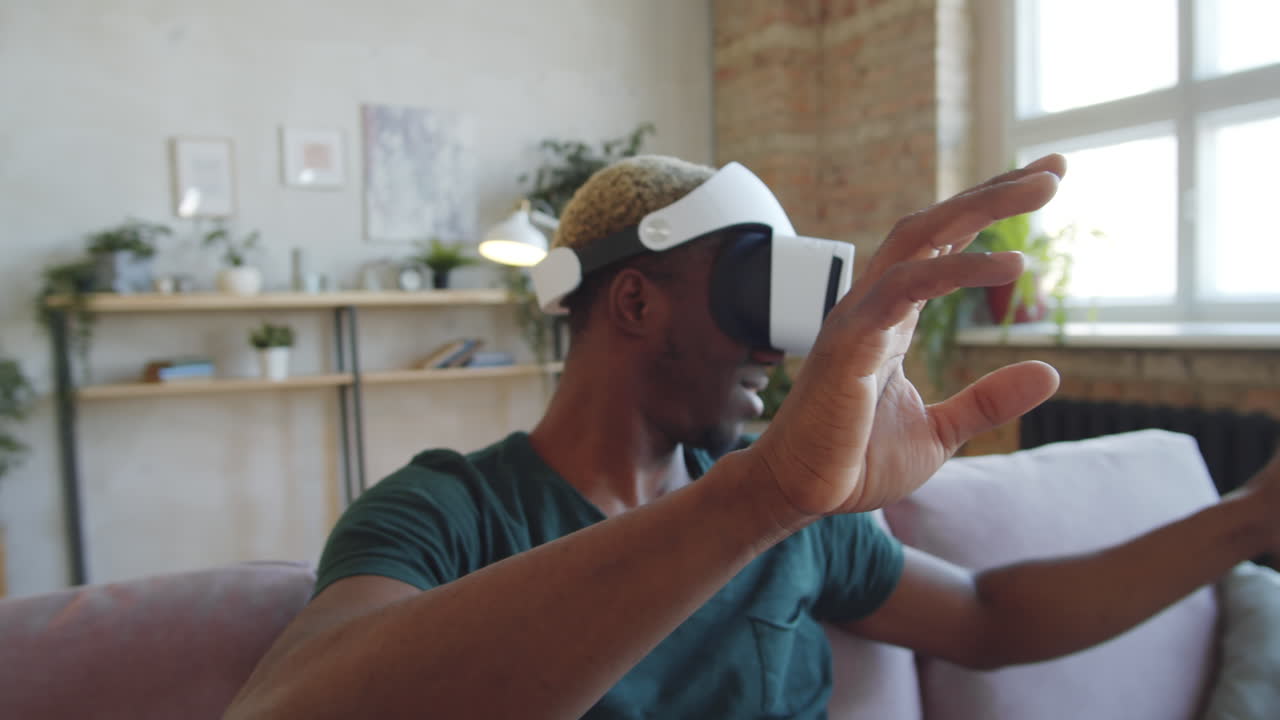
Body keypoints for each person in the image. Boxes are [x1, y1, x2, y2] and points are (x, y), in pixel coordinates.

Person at [226, 155, 1279, 719]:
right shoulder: (449, 512)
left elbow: (990, 619)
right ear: (631, 304)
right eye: (749, 292)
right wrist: (761, 494)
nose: (778, 353)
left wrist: (1240, 522)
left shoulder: (792, 508)